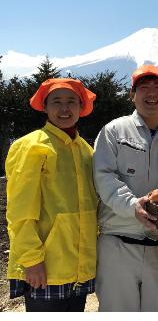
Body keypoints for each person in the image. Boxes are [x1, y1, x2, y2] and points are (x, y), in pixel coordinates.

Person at [93, 64, 158, 312]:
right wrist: (132, 205)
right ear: (132, 95)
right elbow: (104, 177)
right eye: (144, 88)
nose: (152, 94)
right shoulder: (114, 131)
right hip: (118, 247)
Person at [5, 78, 98, 312]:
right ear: (45, 107)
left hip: (79, 266)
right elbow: (20, 210)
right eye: (57, 101)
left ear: (81, 107)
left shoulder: (87, 150)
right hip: (45, 266)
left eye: (71, 102)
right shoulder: (31, 146)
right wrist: (31, 260)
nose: (64, 108)